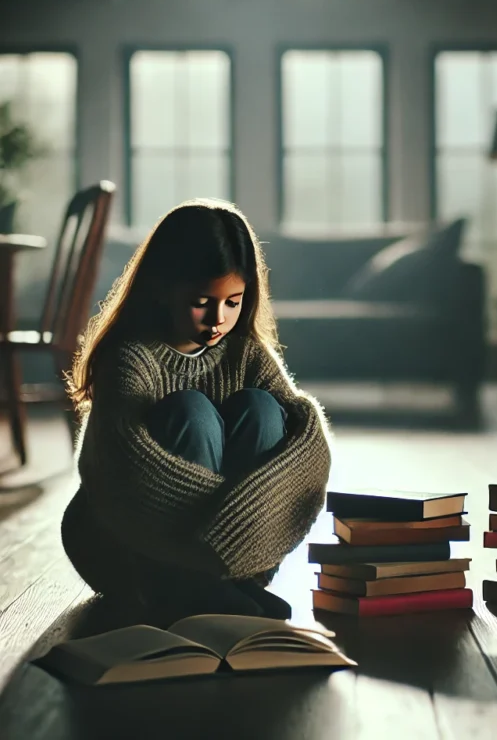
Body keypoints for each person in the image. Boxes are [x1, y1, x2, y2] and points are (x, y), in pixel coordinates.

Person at [62, 198, 332, 623]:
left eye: (233, 301)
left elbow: (307, 441)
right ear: (162, 288)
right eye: (202, 301)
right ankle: (199, 584)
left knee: (264, 408)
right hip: (124, 549)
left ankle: (225, 583)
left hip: (238, 559)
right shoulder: (130, 358)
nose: (217, 320)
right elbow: (124, 466)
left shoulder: (245, 354)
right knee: (193, 412)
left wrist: (238, 532)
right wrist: (226, 527)